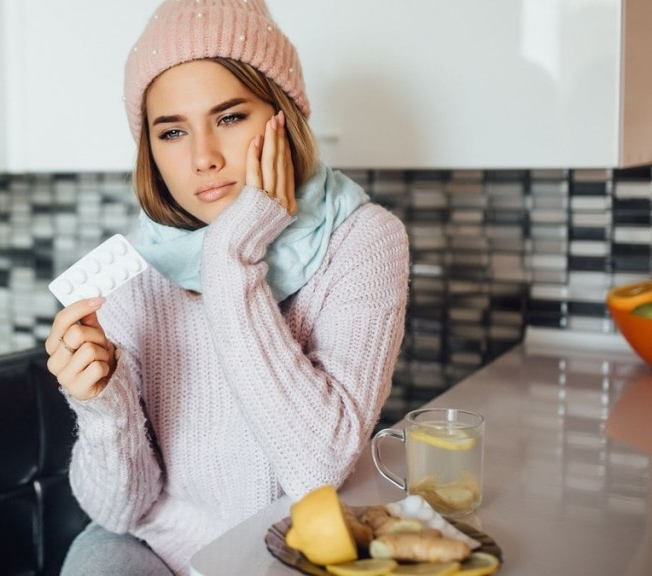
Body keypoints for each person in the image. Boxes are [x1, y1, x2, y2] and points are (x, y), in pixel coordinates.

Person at [45, 1, 409, 574]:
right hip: (155, 545)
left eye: (231, 117)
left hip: (295, 545)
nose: (203, 158)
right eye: (172, 131)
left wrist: (232, 257)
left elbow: (316, 466)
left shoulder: (363, 241)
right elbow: (118, 511)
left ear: (283, 116)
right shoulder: (136, 271)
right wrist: (103, 405)